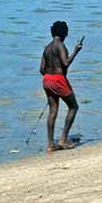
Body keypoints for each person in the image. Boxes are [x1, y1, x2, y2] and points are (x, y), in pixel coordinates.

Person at [40, 20, 83, 153]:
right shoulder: (60, 46)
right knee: (73, 106)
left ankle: (50, 144)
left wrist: (51, 78)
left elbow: (42, 69)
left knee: (53, 111)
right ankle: (63, 139)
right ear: (64, 33)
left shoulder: (47, 48)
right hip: (58, 79)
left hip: (47, 79)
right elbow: (65, 63)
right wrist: (76, 51)